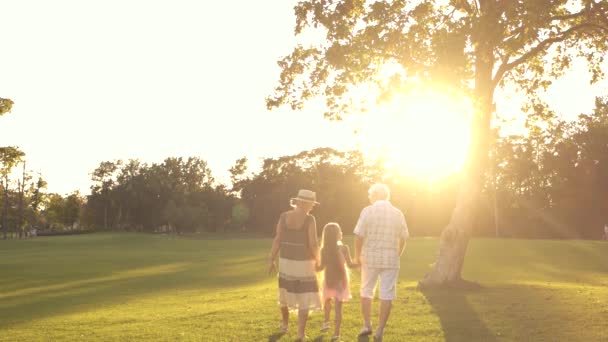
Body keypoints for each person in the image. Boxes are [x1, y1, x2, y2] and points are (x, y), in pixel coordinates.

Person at [354, 183, 409, 341]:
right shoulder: (397, 213)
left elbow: (359, 236)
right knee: (387, 294)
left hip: (369, 258)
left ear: (376, 195)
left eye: (370, 195)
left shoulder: (367, 211)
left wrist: (357, 257)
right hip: (391, 259)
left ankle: (366, 325)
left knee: (366, 291)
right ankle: (380, 330)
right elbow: (404, 238)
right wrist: (397, 254)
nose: (369, 198)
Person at [268, 189, 322, 340]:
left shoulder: (284, 216)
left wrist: (271, 259)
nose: (312, 207)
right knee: (304, 296)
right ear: (306, 203)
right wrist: (319, 260)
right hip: (304, 263)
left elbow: (278, 239)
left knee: (285, 292)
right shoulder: (310, 219)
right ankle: (300, 334)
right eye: (311, 204)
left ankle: (285, 325)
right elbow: (313, 243)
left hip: (286, 261)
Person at [316, 222, 359, 341]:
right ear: (336, 234)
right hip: (341, 281)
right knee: (338, 308)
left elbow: (321, 267)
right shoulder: (344, 248)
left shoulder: (324, 249)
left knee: (327, 302)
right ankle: (336, 333)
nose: (341, 232)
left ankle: (326, 322)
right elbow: (350, 265)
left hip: (329, 280)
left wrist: (313, 265)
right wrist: (360, 262)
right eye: (340, 231)